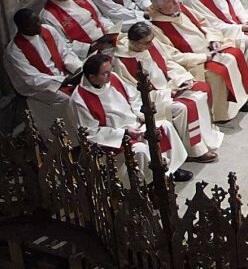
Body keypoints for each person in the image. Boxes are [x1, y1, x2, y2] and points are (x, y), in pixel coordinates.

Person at [67, 52, 192, 182]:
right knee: (140, 149)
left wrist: (142, 116)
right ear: (92, 77)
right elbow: (90, 133)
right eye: (105, 73)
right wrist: (126, 132)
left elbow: (134, 98)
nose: (110, 75)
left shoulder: (113, 79)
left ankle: (170, 170)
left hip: (135, 125)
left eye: (110, 71)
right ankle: (151, 182)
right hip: (113, 140)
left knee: (165, 127)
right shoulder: (80, 100)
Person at [147, 0, 248, 115]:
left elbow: (204, 23)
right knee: (219, 71)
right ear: (158, 6)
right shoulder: (156, 27)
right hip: (195, 63)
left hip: (210, 48)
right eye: (170, 2)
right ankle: (222, 112)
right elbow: (172, 56)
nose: (176, 3)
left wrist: (213, 39)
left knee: (234, 54)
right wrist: (203, 57)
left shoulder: (182, 8)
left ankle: (240, 100)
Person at [115, 21, 220, 163]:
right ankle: (194, 151)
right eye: (146, 43)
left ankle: (204, 139)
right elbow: (133, 93)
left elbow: (168, 61)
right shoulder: (121, 61)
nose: (151, 45)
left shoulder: (150, 45)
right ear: (133, 42)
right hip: (152, 101)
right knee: (181, 108)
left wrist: (182, 79)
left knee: (200, 95)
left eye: (151, 40)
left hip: (169, 86)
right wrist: (167, 93)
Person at [4, 7, 81, 134]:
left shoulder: (48, 31)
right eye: (33, 24)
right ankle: (75, 138)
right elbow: (32, 79)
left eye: (38, 21)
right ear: (22, 27)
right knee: (69, 100)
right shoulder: (14, 51)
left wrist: (77, 69)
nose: (39, 26)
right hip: (38, 88)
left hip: (62, 75)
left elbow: (65, 52)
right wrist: (63, 81)